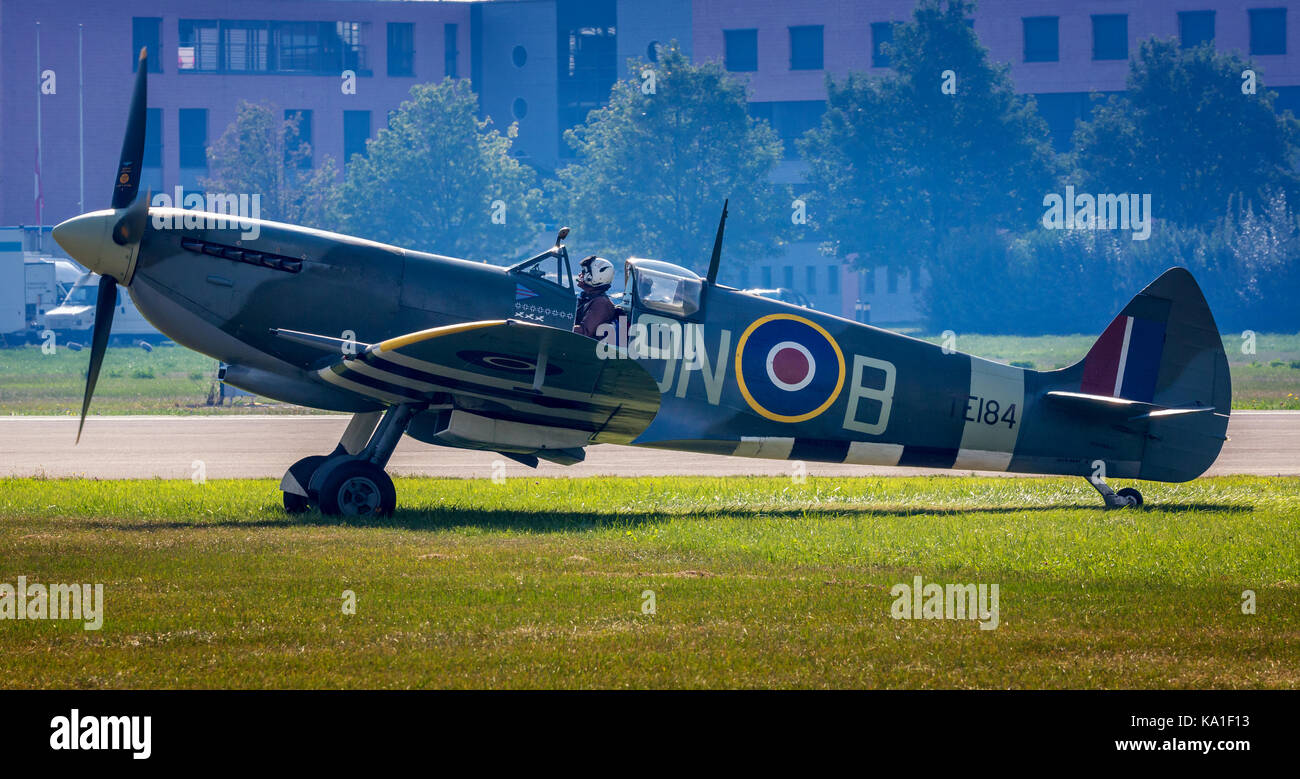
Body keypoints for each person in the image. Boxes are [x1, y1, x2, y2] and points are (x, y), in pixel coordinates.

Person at [573, 255, 619, 339]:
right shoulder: (588, 298)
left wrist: (558, 325)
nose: (580, 274)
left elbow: (584, 333)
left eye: (584, 272)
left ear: (595, 277)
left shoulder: (601, 303)